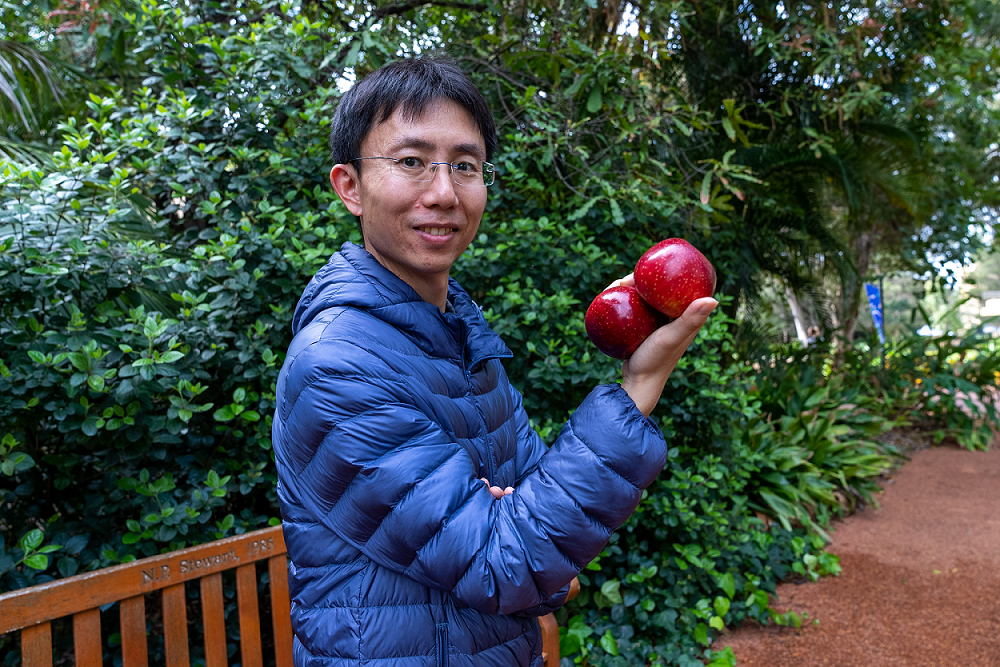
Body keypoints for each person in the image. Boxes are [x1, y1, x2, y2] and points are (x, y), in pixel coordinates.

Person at [271, 57, 718, 667]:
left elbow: (535, 529)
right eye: (411, 162)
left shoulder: (457, 336)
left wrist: (529, 547)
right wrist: (638, 386)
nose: (444, 192)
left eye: (465, 165)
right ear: (349, 185)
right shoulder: (336, 365)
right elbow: (508, 564)